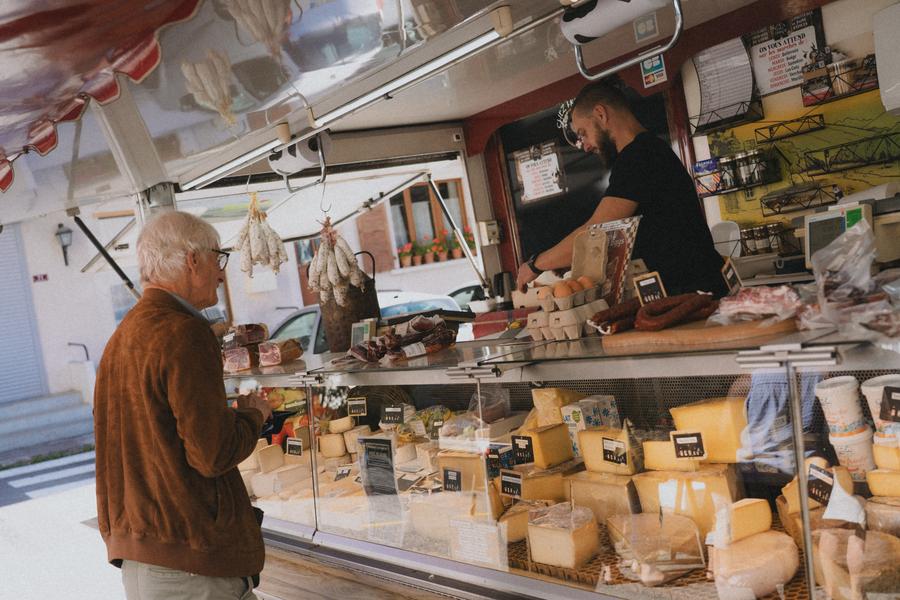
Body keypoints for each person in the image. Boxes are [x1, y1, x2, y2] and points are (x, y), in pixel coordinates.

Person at [94, 211, 272, 600]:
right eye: (217, 259)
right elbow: (212, 453)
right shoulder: (184, 332)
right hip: (192, 563)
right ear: (193, 260)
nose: (221, 273)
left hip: (145, 561)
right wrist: (253, 414)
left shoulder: (121, 337)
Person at [517, 81, 727, 297]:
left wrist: (535, 265)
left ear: (600, 114)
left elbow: (596, 231)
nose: (586, 146)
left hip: (700, 291)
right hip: (691, 287)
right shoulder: (646, 150)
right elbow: (622, 234)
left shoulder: (638, 156)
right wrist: (572, 258)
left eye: (583, 133)